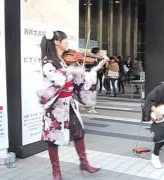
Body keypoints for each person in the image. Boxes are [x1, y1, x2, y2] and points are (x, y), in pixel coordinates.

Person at [37, 31, 107, 180]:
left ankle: (84, 162)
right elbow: (54, 78)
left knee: (79, 132)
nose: (67, 42)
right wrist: (72, 70)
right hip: (55, 106)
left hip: (69, 103)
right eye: (65, 39)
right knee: (53, 138)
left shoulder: (61, 60)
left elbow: (72, 80)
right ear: (56, 42)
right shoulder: (48, 61)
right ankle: (56, 172)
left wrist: (84, 73)